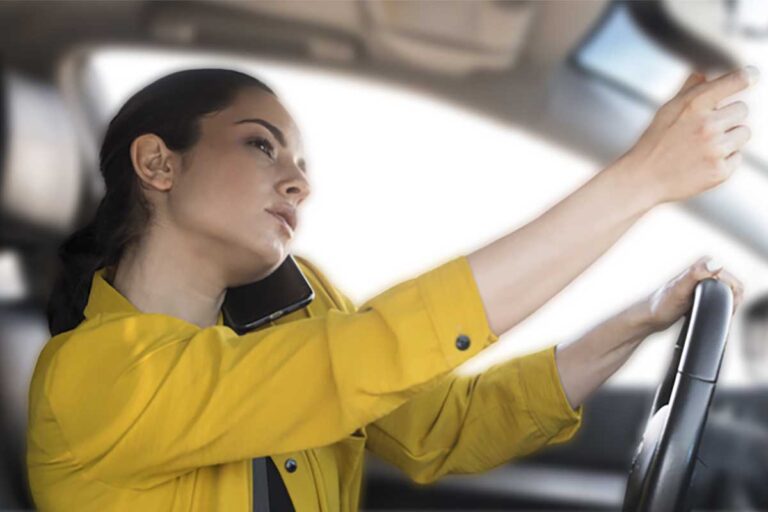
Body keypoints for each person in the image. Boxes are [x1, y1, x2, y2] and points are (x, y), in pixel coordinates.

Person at [28, 66, 753, 511]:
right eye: (260, 143)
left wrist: (638, 320)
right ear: (159, 164)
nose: (299, 181)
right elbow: (369, 356)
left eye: (302, 161)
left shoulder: (294, 306)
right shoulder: (88, 378)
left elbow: (448, 429)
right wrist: (641, 180)